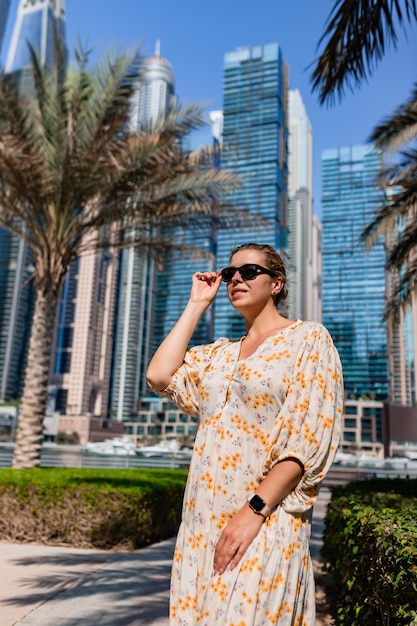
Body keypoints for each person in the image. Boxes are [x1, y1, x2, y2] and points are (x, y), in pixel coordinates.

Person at [146, 242, 343, 625]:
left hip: (266, 518)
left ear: (276, 284)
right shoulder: (217, 355)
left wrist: (254, 510)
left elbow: (306, 443)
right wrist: (197, 303)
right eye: (229, 272)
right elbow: (159, 376)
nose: (236, 278)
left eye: (250, 271)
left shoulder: (308, 341)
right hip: (203, 526)